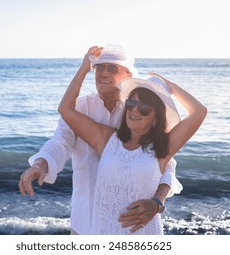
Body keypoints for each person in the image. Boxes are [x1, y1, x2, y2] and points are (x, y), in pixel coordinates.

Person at [19, 45, 183, 234]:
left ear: (128, 75)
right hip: (84, 223)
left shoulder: (138, 111)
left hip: (132, 224)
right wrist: (40, 164)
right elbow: (60, 141)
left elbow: (165, 162)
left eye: (112, 68)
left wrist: (156, 202)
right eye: (98, 67)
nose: (103, 73)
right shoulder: (80, 107)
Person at [57, 49, 207, 234]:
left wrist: (170, 86)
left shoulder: (163, 147)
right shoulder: (106, 139)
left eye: (144, 108)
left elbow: (199, 112)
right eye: (131, 104)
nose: (134, 111)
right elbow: (65, 109)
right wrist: (84, 69)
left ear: (155, 118)